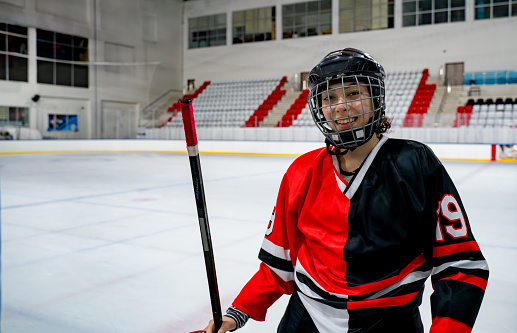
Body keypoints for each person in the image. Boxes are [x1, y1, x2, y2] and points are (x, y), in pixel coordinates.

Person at [200, 48, 489, 333]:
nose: (339, 105)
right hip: (306, 319)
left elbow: (460, 265)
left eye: (353, 94)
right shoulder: (301, 172)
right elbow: (279, 265)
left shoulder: (416, 164)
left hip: (389, 320)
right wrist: (237, 313)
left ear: (376, 98)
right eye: (329, 98)